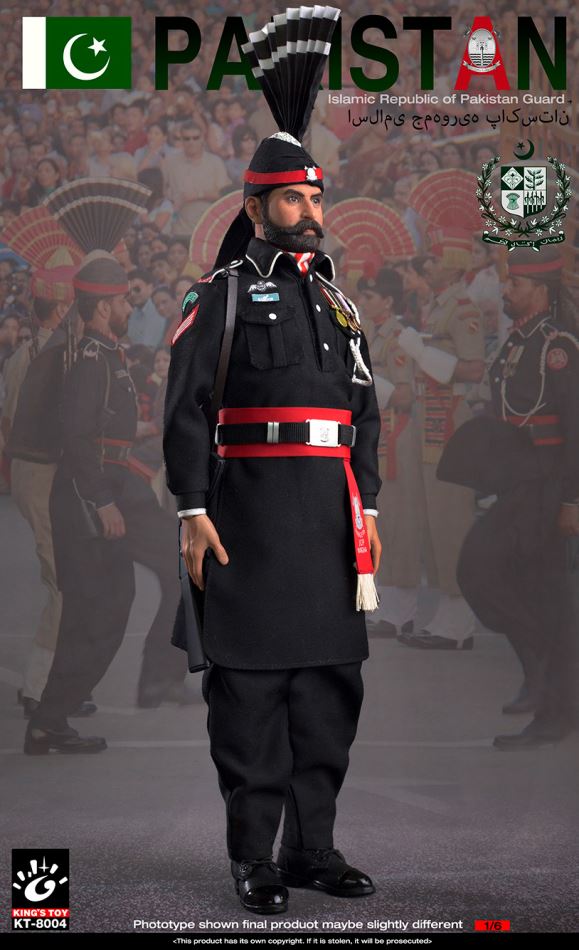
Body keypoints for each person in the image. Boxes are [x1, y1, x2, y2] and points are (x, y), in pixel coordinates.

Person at [163, 4, 381, 916]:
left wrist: (369, 506)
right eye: (293, 199)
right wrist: (191, 509)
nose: (310, 213)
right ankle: (254, 858)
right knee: (250, 701)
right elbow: (185, 408)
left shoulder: (337, 304)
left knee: (328, 694)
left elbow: (364, 412)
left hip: (329, 524)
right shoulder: (216, 297)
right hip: (245, 522)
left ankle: (311, 850)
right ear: (254, 207)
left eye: (316, 199)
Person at [23, 253, 189, 756]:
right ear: (102, 308)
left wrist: (144, 429)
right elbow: (76, 436)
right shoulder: (92, 360)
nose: (128, 307)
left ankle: (157, 676)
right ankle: (50, 720)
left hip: (115, 488)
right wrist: (101, 503)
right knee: (96, 613)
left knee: (170, 573)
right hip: (97, 496)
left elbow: (99, 428)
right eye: (121, 301)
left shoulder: (105, 353)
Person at [446, 247, 579, 748]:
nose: (506, 290)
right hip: (519, 486)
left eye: (516, 284)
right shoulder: (519, 343)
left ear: (541, 292)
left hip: (546, 487)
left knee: (520, 584)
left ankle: (554, 705)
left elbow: (575, 429)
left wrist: (572, 501)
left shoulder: (557, 347)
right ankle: (548, 678)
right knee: (491, 576)